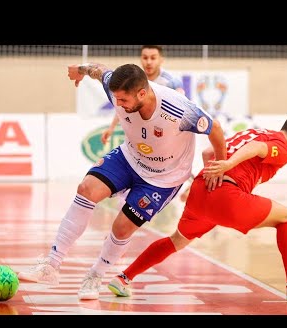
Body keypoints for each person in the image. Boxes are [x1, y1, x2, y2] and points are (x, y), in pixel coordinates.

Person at [18, 62, 227, 300]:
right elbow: (99, 70)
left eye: (123, 100)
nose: (118, 105)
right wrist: (81, 69)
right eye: (116, 99)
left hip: (163, 178)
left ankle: (95, 276)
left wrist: (221, 164)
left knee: (122, 226)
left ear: (142, 93)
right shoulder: (114, 87)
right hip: (130, 157)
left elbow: (216, 129)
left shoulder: (178, 110)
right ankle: (51, 266)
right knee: (86, 188)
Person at [107, 111, 287, 301]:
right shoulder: (282, 148)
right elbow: (257, 148)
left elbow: (208, 153)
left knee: (176, 240)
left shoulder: (256, 131)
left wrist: (215, 174)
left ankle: (123, 278)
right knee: (286, 216)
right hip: (227, 197)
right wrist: (229, 165)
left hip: (201, 193)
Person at [101, 45, 185, 145]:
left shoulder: (171, 82)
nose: (148, 62)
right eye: (145, 58)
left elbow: (182, 107)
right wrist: (111, 127)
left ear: (161, 60)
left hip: (163, 133)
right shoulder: (134, 79)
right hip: (139, 129)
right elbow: (124, 104)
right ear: (141, 59)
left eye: (153, 58)